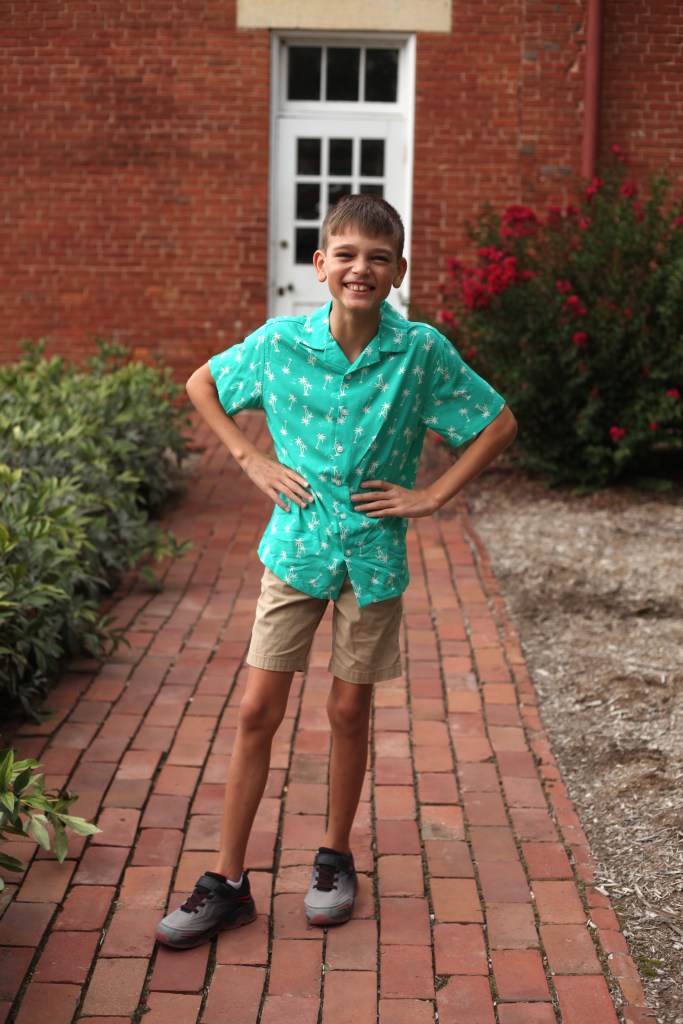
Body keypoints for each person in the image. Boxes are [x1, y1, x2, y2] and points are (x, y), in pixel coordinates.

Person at [155, 193, 517, 948]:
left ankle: (333, 859)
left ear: (398, 271)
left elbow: (497, 423)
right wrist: (250, 458)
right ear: (320, 264)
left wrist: (432, 497)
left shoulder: (419, 352)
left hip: (373, 559)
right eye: (346, 255)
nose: (361, 269)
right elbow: (200, 384)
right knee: (258, 710)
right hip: (295, 552)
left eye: (378, 258)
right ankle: (227, 882)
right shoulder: (279, 344)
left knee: (350, 712)